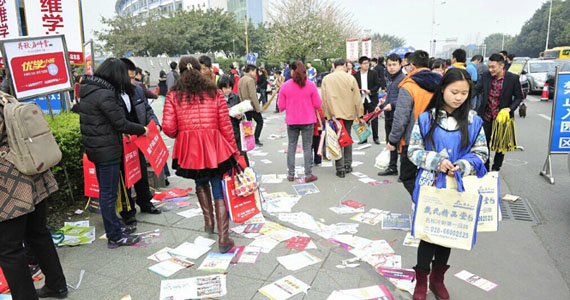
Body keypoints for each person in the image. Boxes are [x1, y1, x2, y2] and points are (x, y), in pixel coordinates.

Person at [408, 68, 488, 300]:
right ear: (442, 89)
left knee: (447, 233)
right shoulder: (426, 118)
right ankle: (421, 280)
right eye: (454, 91)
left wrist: (462, 165)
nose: (458, 97)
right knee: (427, 234)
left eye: (464, 93)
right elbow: (413, 150)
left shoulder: (474, 121)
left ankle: (437, 279)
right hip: (429, 185)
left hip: (457, 187)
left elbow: (481, 153)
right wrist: (436, 161)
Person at [162, 56, 239, 253]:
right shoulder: (215, 93)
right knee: (217, 185)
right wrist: (235, 152)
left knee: (199, 181)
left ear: (180, 72)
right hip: (214, 146)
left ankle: (208, 224)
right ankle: (224, 237)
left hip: (190, 148)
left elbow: (169, 129)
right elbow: (226, 126)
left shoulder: (173, 96)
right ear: (199, 70)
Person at [0, 86, 68, 300]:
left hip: (9, 183)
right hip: (33, 174)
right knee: (38, 233)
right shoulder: (6, 98)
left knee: (9, 249)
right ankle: (57, 286)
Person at [79, 58, 148, 248]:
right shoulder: (105, 94)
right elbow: (121, 123)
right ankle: (115, 236)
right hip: (106, 150)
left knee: (106, 192)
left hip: (97, 148)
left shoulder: (89, 90)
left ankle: (114, 227)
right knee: (108, 194)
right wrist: (142, 129)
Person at [387, 50, 441, 196]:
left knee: (407, 176)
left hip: (412, 139)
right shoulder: (441, 83)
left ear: (411, 66)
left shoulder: (409, 86)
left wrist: (392, 140)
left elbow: (401, 118)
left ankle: (422, 202)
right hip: (436, 137)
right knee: (430, 174)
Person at [118, 58, 162, 226]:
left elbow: (147, 109)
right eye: (129, 78)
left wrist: (155, 123)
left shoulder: (137, 90)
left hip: (139, 138)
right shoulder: (112, 93)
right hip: (123, 142)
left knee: (141, 172)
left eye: (133, 77)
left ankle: (145, 202)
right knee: (125, 176)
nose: (132, 81)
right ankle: (127, 210)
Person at [474, 53, 522, 172]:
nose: (490, 70)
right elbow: (476, 90)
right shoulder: (485, 76)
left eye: (493, 67)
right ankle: (485, 169)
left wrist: (509, 108)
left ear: (501, 66)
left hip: (503, 119)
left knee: (501, 147)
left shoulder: (513, 78)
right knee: (484, 144)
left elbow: (519, 97)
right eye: (489, 67)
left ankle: (496, 169)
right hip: (486, 116)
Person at [278, 61, 322, 183]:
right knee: (307, 147)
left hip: (292, 121)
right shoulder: (311, 85)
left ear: (292, 72)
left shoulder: (285, 86)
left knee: (291, 146)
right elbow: (318, 104)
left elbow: (280, 106)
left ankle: (291, 174)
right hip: (308, 120)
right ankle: (308, 174)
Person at [321, 58, 364, 178]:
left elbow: (324, 99)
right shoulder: (350, 78)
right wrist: (360, 114)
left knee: (336, 140)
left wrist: (326, 115)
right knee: (347, 138)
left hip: (334, 114)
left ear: (334, 66)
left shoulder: (327, 79)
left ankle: (339, 168)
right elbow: (357, 98)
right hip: (349, 113)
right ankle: (348, 164)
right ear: (345, 65)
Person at [377, 54, 406, 176]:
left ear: (400, 64)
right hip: (389, 115)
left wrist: (392, 105)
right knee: (390, 142)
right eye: (389, 65)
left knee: (401, 144)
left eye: (394, 65)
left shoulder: (403, 79)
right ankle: (392, 167)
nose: (391, 67)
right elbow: (389, 96)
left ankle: (404, 172)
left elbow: (403, 99)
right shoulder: (391, 78)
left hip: (398, 116)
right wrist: (381, 106)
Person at [218, 75, 249, 165]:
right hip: (223, 132)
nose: (227, 90)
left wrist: (241, 116)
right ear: (220, 88)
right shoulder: (217, 99)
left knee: (241, 154)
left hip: (236, 130)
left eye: (229, 87)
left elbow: (243, 114)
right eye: (225, 88)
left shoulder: (236, 97)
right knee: (227, 156)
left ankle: (244, 173)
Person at [354, 56, 381, 144]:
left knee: (374, 118)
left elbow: (377, 85)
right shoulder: (356, 75)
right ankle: (363, 138)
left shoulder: (373, 73)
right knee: (361, 119)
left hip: (371, 98)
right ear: (360, 65)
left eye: (367, 63)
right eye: (364, 63)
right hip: (361, 99)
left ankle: (375, 137)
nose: (367, 65)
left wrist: (370, 91)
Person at [238, 64, 264, 146]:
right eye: (255, 72)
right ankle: (256, 138)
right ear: (251, 71)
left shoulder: (241, 80)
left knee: (247, 122)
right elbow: (253, 95)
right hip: (251, 105)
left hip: (244, 105)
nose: (255, 74)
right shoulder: (250, 80)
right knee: (260, 121)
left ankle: (248, 140)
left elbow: (239, 94)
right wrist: (257, 107)